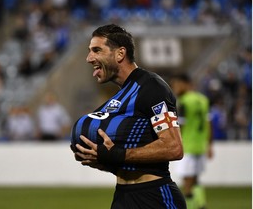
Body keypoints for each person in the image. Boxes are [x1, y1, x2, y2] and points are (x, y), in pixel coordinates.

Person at [70, 24, 186, 209]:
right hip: (123, 198)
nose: (89, 58)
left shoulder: (152, 87)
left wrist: (118, 154)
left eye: (96, 50)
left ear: (120, 53)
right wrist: (101, 159)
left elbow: (174, 147)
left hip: (155, 197)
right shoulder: (119, 98)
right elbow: (125, 161)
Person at [170, 74, 213, 209]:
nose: (175, 88)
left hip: (187, 145)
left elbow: (180, 126)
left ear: (184, 84)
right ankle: (201, 204)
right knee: (195, 179)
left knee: (187, 182)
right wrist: (209, 144)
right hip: (200, 145)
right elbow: (208, 124)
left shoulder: (184, 101)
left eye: (176, 85)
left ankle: (190, 206)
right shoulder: (203, 99)